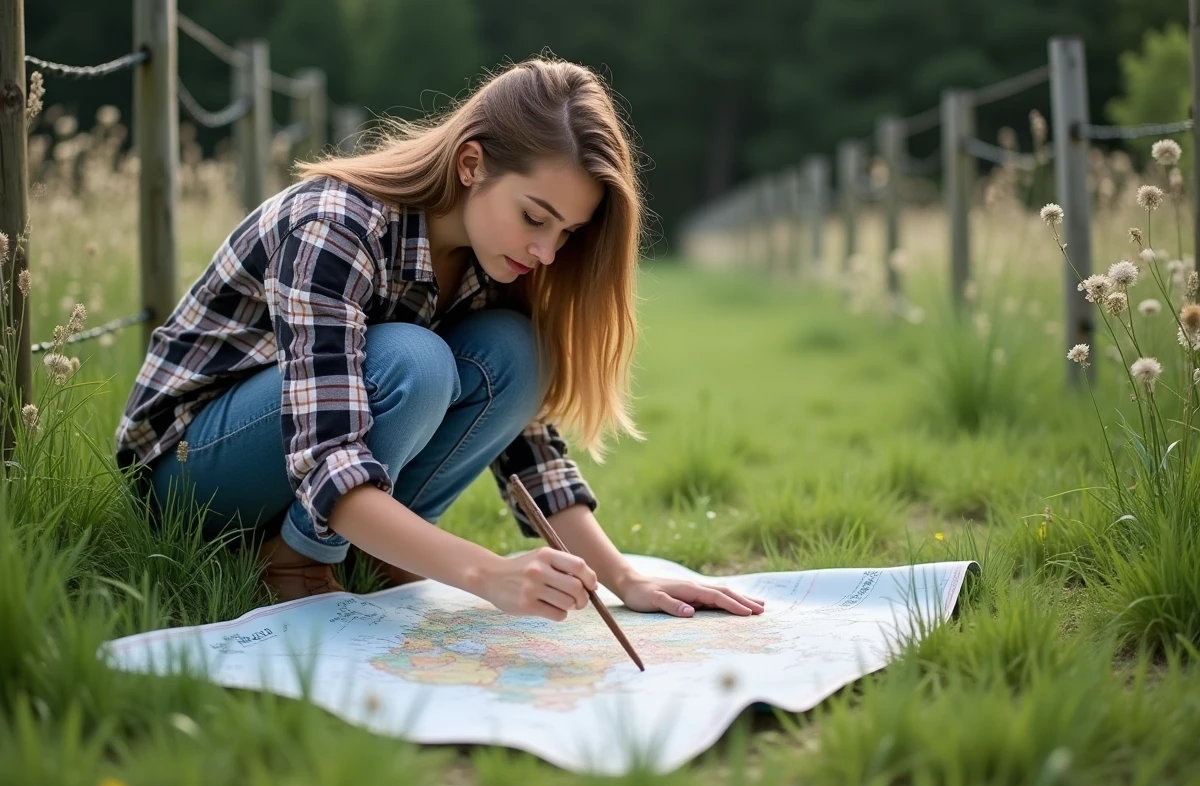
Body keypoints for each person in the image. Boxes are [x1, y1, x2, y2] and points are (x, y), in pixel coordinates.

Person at [115, 57, 764, 623]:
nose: (545, 250)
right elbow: (329, 456)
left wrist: (625, 579)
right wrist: (486, 574)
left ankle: (369, 550)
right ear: (471, 162)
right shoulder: (337, 226)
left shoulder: (495, 258)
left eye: (565, 233)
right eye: (535, 217)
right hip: (191, 469)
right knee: (413, 363)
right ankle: (295, 566)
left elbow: (529, 450)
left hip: (310, 466)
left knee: (517, 352)